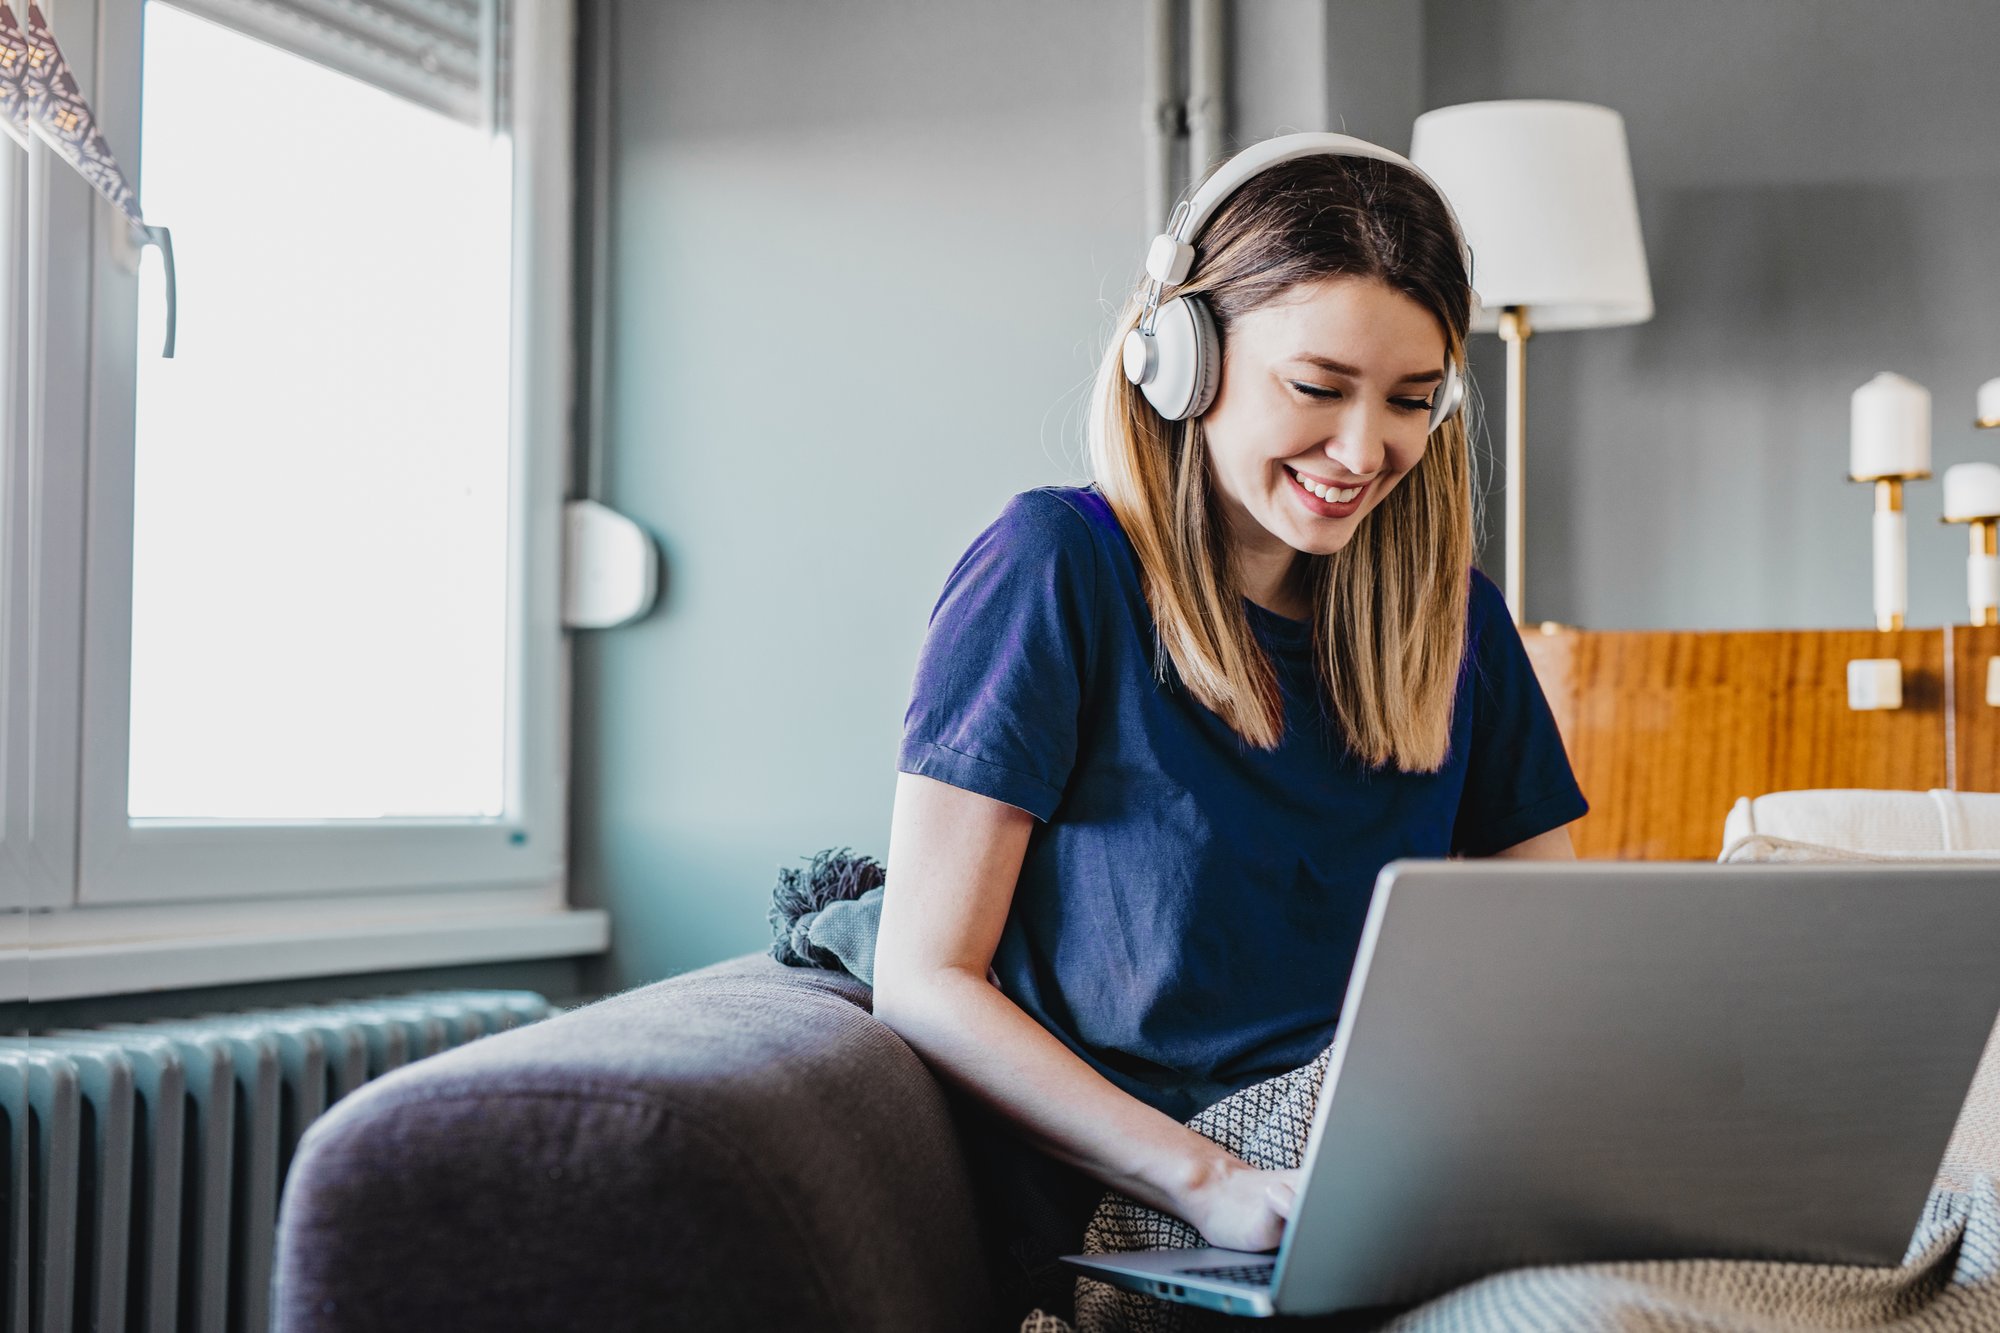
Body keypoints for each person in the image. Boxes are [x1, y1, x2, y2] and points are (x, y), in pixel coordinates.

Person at [872, 132, 1588, 1329]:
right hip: (1179, 1194)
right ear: (1181, 358)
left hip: (1414, 1161)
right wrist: (1211, 1185)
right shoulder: (1055, 568)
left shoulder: (1452, 618)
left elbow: (1555, 958)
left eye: (1412, 402)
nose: (1365, 453)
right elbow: (923, 978)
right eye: (1316, 388)